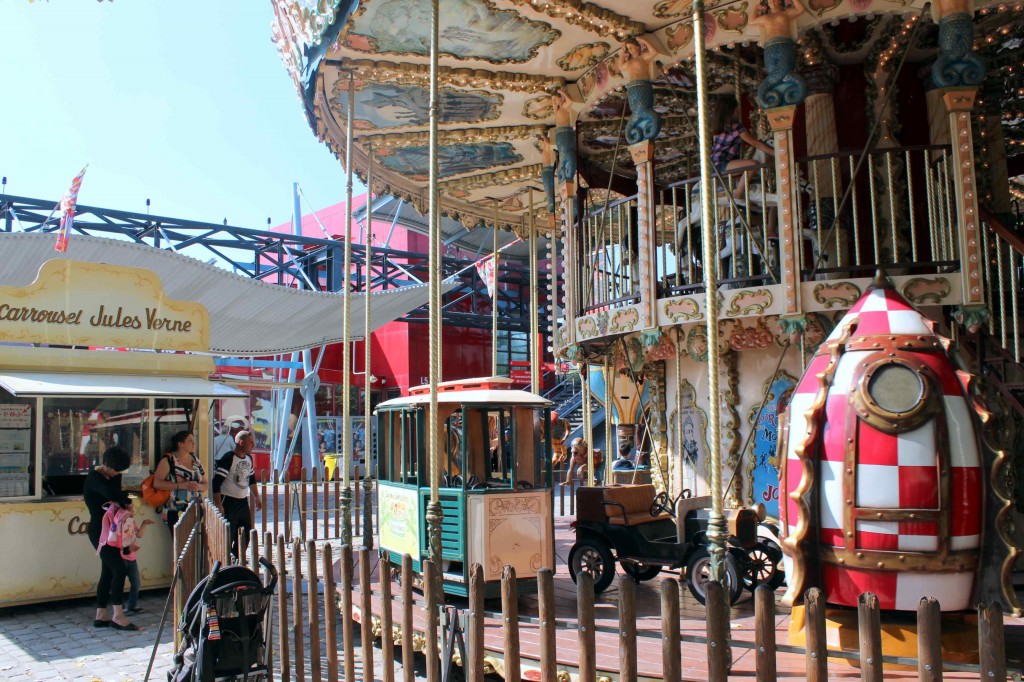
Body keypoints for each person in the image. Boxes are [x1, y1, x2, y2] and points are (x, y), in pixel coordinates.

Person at [82, 445, 138, 631]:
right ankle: (118, 615)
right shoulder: (94, 478)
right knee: (119, 569)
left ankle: (101, 614)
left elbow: (118, 493)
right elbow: (112, 494)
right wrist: (126, 500)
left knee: (107, 571)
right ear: (106, 465)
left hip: (113, 529)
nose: (117, 474)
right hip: (101, 531)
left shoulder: (112, 477)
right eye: (115, 470)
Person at [711, 97, 774, 201]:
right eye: (737, 108)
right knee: (754, 164)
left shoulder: (721, 127)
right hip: (721, 165)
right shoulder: (736, 127)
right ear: (731, 110)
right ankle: (738, 194)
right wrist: (775, 153)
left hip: (715, 164)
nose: (739, 110)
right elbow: (755, 143)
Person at [213, 430, 262, 559]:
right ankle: (225, 559)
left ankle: (237, 556)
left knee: (246, 532)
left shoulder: (248, 458)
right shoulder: (229, 458)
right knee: (229, 533)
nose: (253, 445)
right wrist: (219, 504)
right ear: (241, 443)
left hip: (242, 501)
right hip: (228, 501)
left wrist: (257, 497)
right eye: (250, 442)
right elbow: (216, 483)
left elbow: (251, 479)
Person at [152, 431, 206, 530]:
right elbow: (157, 483)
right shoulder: (168, 460)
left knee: (193, 542)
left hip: (195, 508)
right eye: (190, 441)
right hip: (175, 509)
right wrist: (182, 485)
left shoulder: (196, 460)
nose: (193, 444)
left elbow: (206, 483)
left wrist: (199, 487)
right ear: (180, 444)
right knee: (180, 542)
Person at [122, 502, 154, 615]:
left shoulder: (132, 522)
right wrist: (127, 547)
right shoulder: (119, 523)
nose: (132, 511)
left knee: (136, 582)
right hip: (121, 557)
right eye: (129, 509)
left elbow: (138, 535)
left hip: (131, 557)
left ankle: (132, 605)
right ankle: (120, 608)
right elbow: (117, 540)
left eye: (132, 509)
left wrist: (144, 524)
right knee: (119, 582)